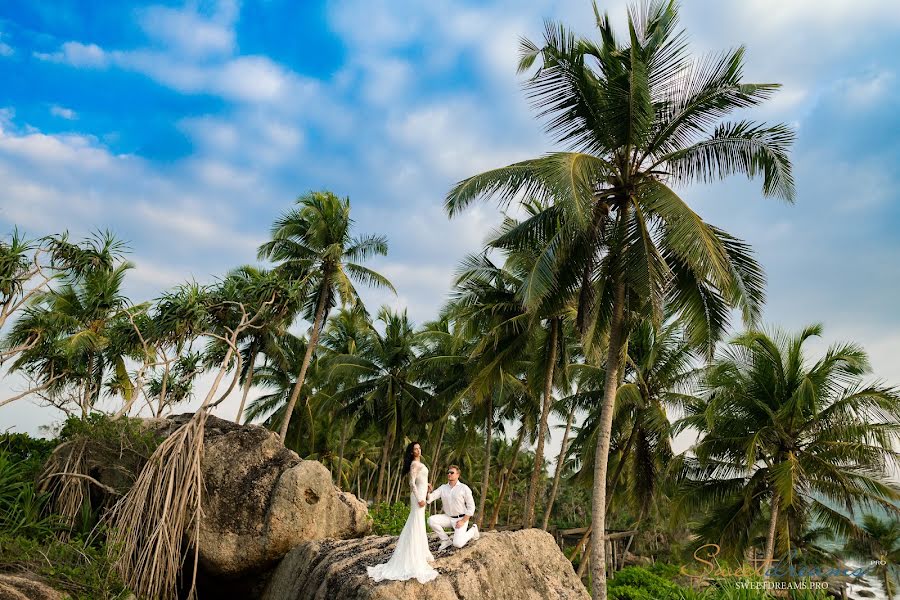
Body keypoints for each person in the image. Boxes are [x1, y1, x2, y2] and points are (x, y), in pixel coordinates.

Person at [366, 442, 439, 584]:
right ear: (412, 452)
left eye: (419, 448)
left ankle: (421, 552)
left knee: (418, 523)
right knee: (415, 522)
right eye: (415, 449)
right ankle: (413, 555)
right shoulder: (414, 464)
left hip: (423, 494)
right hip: (418, 498)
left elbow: (420, 480)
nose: (418, 450)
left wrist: (427, 486)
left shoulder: (419, 464)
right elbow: (411, 483)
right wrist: (419, 499)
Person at [426, 464, 480, 551]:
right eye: (448, 472)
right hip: (448, 518)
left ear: (458, 475)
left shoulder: (464, 488)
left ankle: (473, 530)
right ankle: (446, 540)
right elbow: (430, 498)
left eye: (452, 472)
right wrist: (427, 492)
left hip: (461, 519)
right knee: (431, 520)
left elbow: (471, 507)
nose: (449, 474)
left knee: (458, 544)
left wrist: (463, 521)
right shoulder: (443, 488)